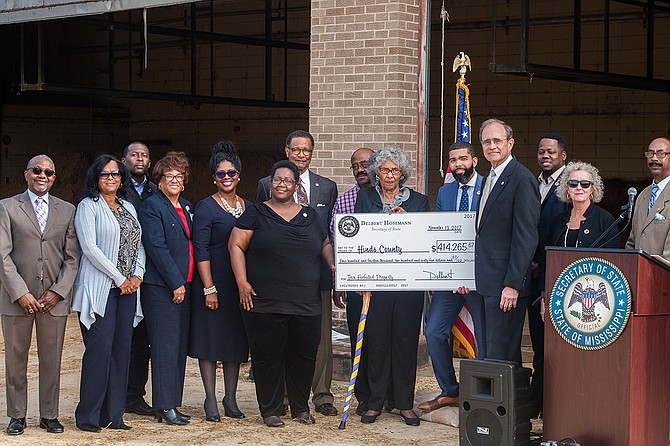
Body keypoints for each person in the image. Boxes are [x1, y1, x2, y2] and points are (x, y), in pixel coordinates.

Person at [230, 160, 335, 428]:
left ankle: (300, 408)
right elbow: (236, 245)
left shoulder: (310, 215)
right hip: (265, 301)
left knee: (303, 356)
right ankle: (271, 410)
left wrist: (333, 264)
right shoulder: (256, 212)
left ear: (296, 186)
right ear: (270, 183)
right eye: (277, 180)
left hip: (306, 302)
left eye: (288, 180)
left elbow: (324, 242)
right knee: (268, 358)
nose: (282, 185)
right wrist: (242, 282)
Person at [255, 130, 339, 416]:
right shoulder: (267, 184)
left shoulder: (327, 186)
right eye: (297, 149)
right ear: (287, 151)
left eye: (307, 150)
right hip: (279, 280)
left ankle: (322, 396)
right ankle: (287, 396)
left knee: (319, 339)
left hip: (317, 277)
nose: (302, 154)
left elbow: (329, 233)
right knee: (284, 338)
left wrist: (336, 270)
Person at [0, 155, 80, 436]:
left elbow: (73, 258)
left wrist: (58, 292)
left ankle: (49, 415)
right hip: (17, 299)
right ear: (26, 175)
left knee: (52, 359)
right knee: (15, 358)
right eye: (37, 170)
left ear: (54, 178)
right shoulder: (7, 207)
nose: (42, 175)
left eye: (48, 172)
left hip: (52, 301)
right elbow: (3, 255)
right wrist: (20, 292)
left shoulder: (67, 210)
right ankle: (17, 415)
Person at [354, 146, 430, 426]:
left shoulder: (419, 202)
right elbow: (357, 240)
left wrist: (405, 221)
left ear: (402, 174)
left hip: (409, 285)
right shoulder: (365, 198)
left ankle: (404, 404)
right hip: (377, 283)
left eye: (394, 170)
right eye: (384, 170)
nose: (389, 175)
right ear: (376, 173)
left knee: (405, 341)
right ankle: (375, 402)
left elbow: (424, 241)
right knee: (378, 340)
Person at [72, 154, 145, 433]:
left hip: (128, 291)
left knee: (121, 352)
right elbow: (90, 248)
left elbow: (138, 243)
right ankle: (89, 416)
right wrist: (119, 278)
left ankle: (115, 415)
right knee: (99, 352)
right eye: (105, 174)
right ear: (96, 177)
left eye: (116, 174)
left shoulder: (128, 206)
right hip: (101, 289)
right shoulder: (88, 207)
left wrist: (138, 274)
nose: (111, 178)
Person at [418, 141, 485, 412]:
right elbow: (443, 234)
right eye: (453, 160)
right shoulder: (445, 193)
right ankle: (450, 390)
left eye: (463, 159)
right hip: (450, 278)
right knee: (434, 331)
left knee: (484, 337)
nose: (458, 164)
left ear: (474, 161)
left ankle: (484, 394)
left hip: (481, 278)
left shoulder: (489, 187)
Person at [468, 118, 540, 363]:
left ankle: (508, 403)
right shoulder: (490, 176)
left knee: (502, 355)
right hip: (488, 282)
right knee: (490, 353)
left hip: (506, 286)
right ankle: (492, 402)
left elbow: (526, 237)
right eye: (486, 141)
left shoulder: (521, 179)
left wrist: (513, 285)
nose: (492, 146)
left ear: (510, 143)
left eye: (497, 140)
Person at [188, 141, 250, 422]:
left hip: (239, 284)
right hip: (212, 282)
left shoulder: (248, 207)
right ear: (214, 177)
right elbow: (200, 250)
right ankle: (211, 398)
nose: (227, 178)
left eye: (231, 173)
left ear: (239, 175)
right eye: (221, 174)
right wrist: (208, 288)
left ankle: (231, 397)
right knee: (211, 341)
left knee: (235, 341)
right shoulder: (205, 208)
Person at [138, 151, 194, 426]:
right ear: (158, 180)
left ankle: (173, 402)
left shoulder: (186, 205)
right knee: (164, 346)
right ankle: (163, 405)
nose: (174, 180)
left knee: (178, 346)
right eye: (168, 176)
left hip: (185, 286)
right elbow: (157, 248)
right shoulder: (152, 206)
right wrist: (176, 283)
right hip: (163, 288)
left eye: (178, 176)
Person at [330, 147, 374, 415]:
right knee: (361, 339)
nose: (360, 169)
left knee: (383, 340)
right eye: (355, 166)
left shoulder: (391, 198)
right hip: (357, 286)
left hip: (388, 286)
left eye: (365, 164)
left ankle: (386, 395)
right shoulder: (344, 201)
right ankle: (364, 397)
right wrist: (339, 281)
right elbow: (336, 244)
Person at [528, 133, 569, 418]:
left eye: (551, 152)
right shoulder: (534, 183)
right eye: (542, 151)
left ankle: (553, 401)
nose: (545, 156)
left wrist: (543, 264)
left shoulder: (571, 186)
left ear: (563, 156)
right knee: (538, 341)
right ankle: (536, 400)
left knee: (555, 345)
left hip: (555, 272)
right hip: (530, 272)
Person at [121, 141, 157, 417]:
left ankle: (134, 395)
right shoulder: (115, 190)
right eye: (135, 155)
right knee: (122, 337)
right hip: (122, 275)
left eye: (144, 155)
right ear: (124, 160)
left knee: (142, 339)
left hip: (150, 274)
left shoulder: (155, 191)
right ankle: (115, 393)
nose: (140, 159)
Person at [545, 161, 620, 251]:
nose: (579, 188)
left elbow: (614, 259)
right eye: (573, 183)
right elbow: (548, 256)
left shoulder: (605, 220)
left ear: (592, 188)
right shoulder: (558, 221)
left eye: (585, 184)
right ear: (567, 188)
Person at [626, 137, 670, 258]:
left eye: (661, 154)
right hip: (639, 273)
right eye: (650, 153)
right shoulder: (642, 195)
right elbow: (632, 241)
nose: (654, 158)